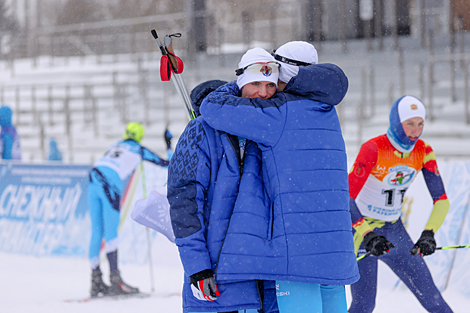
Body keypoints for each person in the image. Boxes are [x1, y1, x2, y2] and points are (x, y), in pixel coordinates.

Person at [199, 42, 358, 312]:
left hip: (298, 256)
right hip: (335, 251)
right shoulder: (326, 111)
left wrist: (239, 82)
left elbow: (211, 107)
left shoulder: (278, 115)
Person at [167, 48, 280, 313]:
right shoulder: (200, 130)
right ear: (240, 83)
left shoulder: (273, 129)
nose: (262, 92)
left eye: (270, 85)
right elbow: (185, 202)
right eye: (255, 83)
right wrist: (198, 267)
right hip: (218, 274)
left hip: (269, 276)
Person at [347, 95, 452, 312]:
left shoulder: (423, 150)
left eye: (420, 124)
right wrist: (369, 236)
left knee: (434, 301)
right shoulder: (374, 148)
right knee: (364, 306)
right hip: (361, 233)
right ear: (397, 122)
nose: (415, 131)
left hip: (395, 231)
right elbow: (345, 198)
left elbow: (441, 200)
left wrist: (428, 234)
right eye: (409, 124)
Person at [88, 122, 171, 297]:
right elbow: (167, 163)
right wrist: (169, 144)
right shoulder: (139, 150)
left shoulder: (116, 145)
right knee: (111, 233)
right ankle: (115, 280)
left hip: (93, 175)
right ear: (139, 136)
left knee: (97, 231)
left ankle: (95, 281)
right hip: (110, 182)